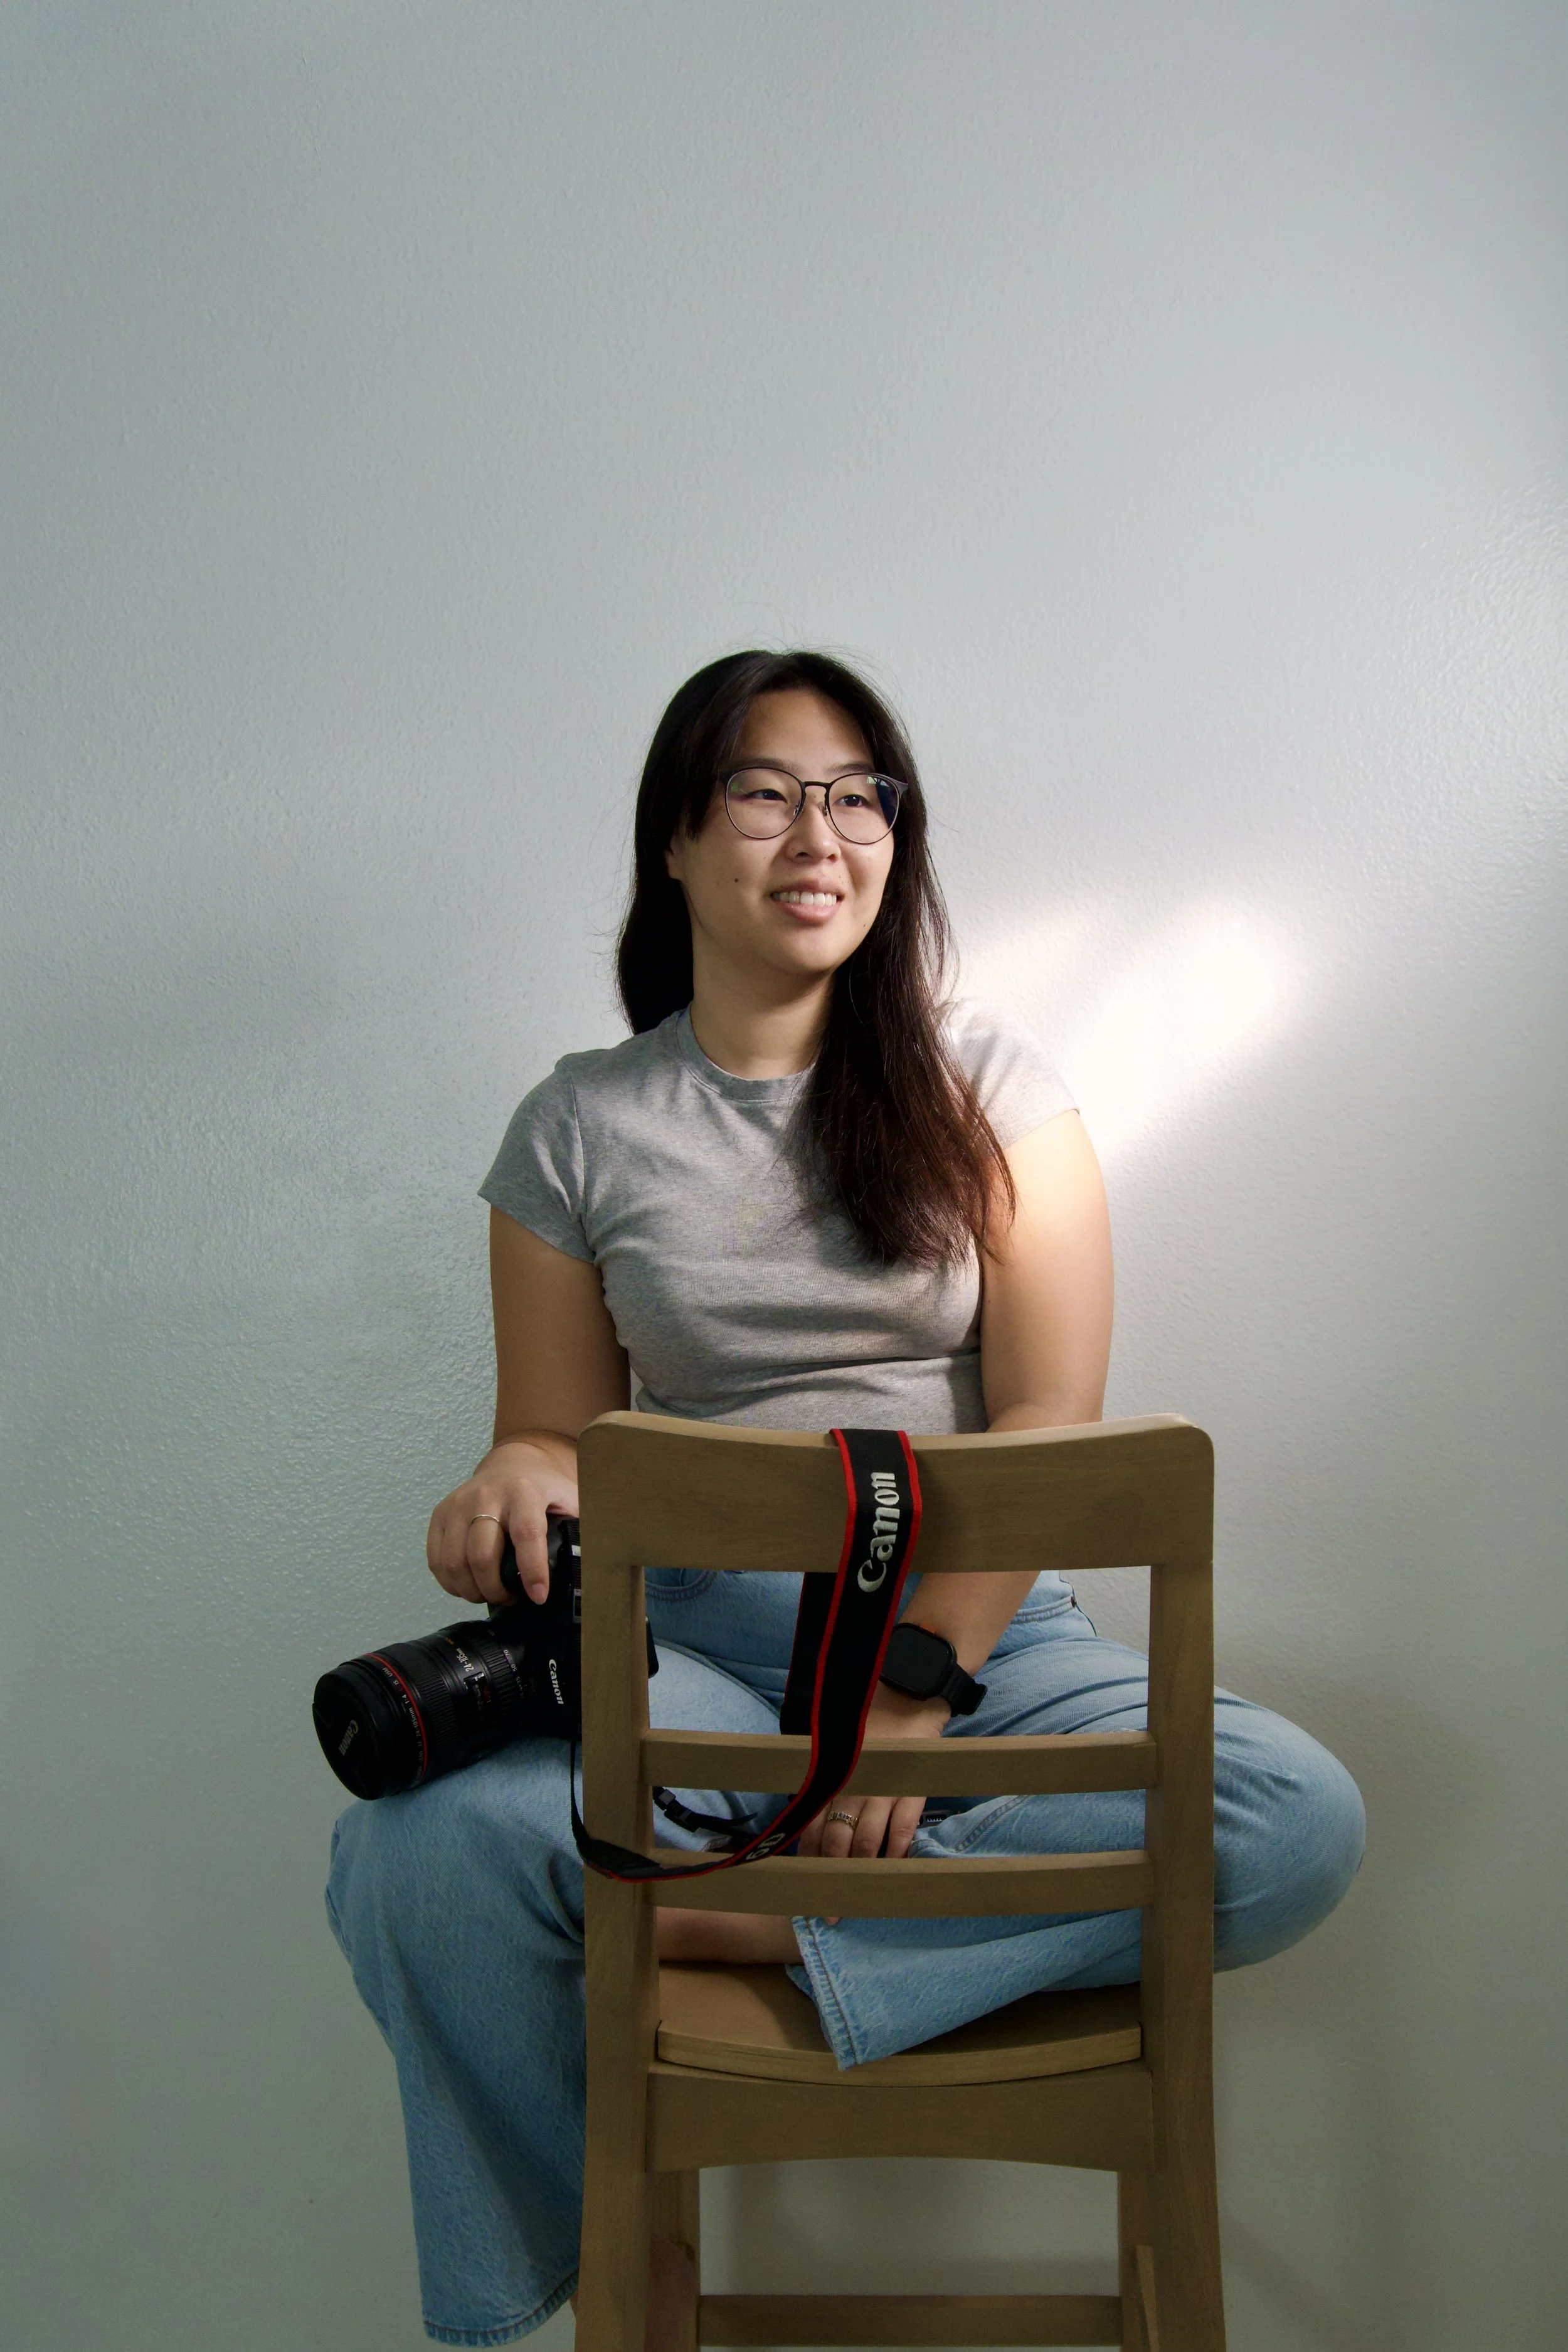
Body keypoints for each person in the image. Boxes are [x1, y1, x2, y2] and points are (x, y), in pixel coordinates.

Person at [326, 650, 1365, 2349]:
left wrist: (907, 1698)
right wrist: (511, 1469)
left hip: (977, 1616)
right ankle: (612, 2257)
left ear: (896, 834)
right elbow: (555, 1437)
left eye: (857, 794)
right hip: (692, 1637)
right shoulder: (578, 1126)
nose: (819, 832)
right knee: (415, 1851)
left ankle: (730, 1901)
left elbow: (1045, 1425)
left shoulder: (993, 1085)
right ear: (673, 836)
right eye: (763, 789)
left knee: (1291, 1818)